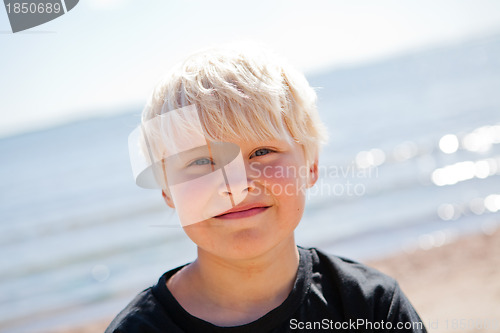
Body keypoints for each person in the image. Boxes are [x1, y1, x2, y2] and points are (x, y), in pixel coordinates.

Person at [106, 45, 427, 332]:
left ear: (310, 166)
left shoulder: (370, 306)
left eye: (261, 152)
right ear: (166, 190)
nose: (237, 185)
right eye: (201, 162)